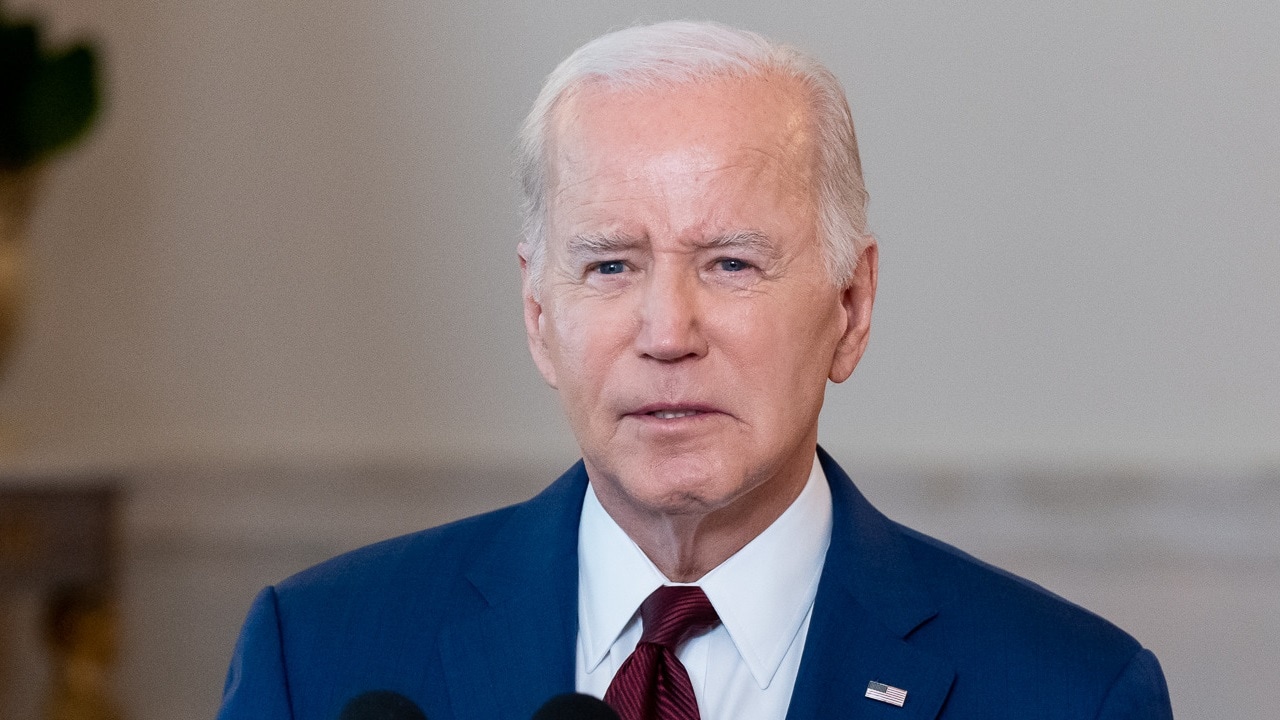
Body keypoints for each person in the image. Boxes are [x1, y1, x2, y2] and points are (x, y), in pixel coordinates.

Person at [217, 20, 1173, 720]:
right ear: (539, 315)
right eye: (609, 265)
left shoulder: (1070, 692)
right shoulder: (320, 657)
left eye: (731, 263)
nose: (666, 331)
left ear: (851, 306)